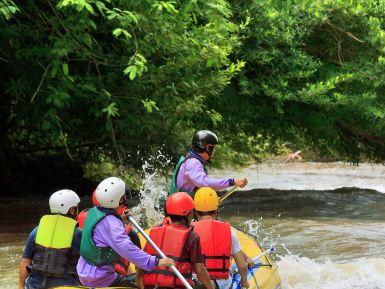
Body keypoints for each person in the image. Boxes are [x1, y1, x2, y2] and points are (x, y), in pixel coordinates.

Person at [77, 177, 174, 287]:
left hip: (83, 272)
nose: (126, 197)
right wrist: (154, 261)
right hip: (100, 278)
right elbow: (126, 247)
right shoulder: (112, 223)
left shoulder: (94, 212)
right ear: (119, 199)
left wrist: (120, 219)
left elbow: (104, 230)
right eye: (124, 196)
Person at [137, 192, 214, 289]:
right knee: (208, 285)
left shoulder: (155, 230)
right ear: (188, 214)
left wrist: (138, 281)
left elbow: (143, 260)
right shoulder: (192, 236)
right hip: (177, 286)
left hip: (152, 286)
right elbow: (200, 270)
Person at [19, 189, 82, 289]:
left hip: (34, 285)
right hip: (64, 285)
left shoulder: (36, 230)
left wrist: (21, 286)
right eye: (77, 208)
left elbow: (25, 261)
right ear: (71, 210)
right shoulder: (78, 233)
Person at [193, 187, 249, 289]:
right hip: (222, 284)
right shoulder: (229, 232)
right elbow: (242, 266)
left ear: (195, 212)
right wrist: (244, 282)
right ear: (216, 211)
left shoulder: (189, 231)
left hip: (195, 280)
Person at [77, 190, 141, 277]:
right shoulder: (131, 234)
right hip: (110, 275)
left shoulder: (82, 223)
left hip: (82, 274)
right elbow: (140, 266)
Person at [168, 130, 248, 195]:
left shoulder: (190, 157)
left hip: (179, 200)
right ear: (208, 148)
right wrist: (232, 181)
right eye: (213, 149)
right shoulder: (193, 163)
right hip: (179, 206)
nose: (213, 152)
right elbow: (204, 182)